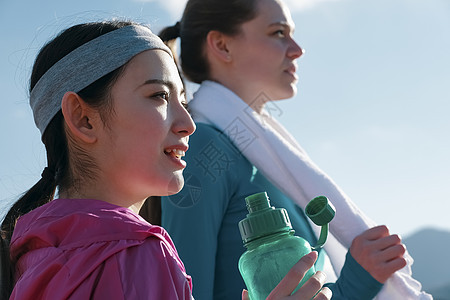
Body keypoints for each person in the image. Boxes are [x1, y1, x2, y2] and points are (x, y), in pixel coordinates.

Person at [0, 19, 332, 300]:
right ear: (84, 119)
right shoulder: (136, 252)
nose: (187, 124)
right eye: (159, 95)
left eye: (183, 101)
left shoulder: (25, 254)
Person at [159, 0, 432, 299]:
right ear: (222, 45)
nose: (297, 48)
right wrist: (357, 280)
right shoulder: (204, 148)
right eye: (278, 32)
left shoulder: (268, 159)